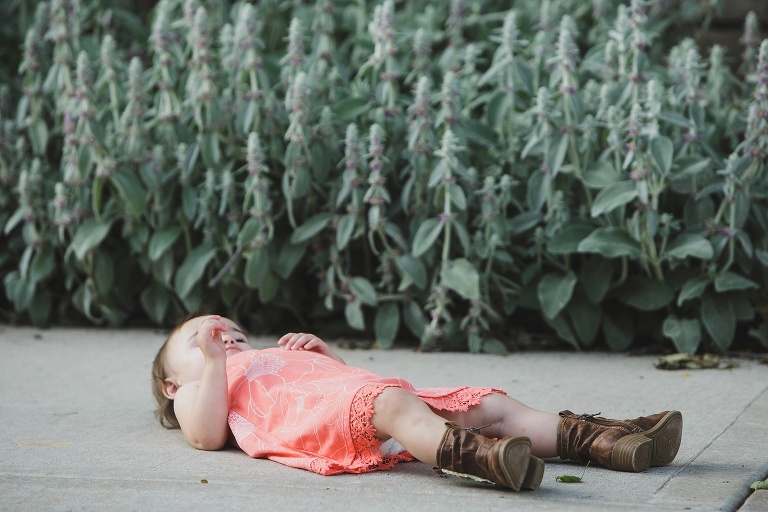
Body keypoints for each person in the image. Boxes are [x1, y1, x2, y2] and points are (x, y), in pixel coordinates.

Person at [151, 314, 683, 492]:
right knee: (396, 408)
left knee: (488, 404)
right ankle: (485, 459)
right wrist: (216, 365)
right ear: (174, 383)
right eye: (203, 337)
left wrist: (325, 357)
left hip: (361, 398)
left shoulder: (263, 356)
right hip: (334, 415)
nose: (225, 337)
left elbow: (331, 382)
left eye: (234, 334)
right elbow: (205, 435)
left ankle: (607, 440)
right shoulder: (200, 389)